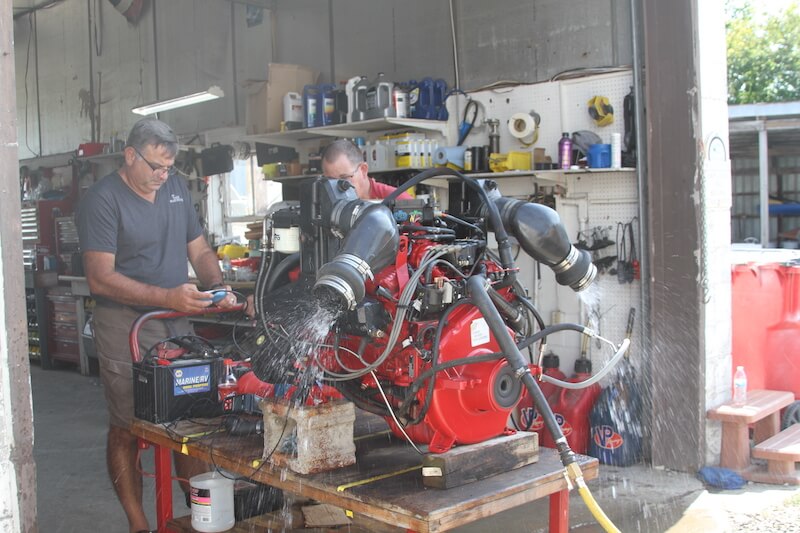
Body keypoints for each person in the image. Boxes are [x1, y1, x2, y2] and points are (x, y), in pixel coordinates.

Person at [77, 118, 238, 533]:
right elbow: (100, 277)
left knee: (191, 419)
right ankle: (138, 522)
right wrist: (167, 296)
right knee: (128, 425)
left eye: (170, 168)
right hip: (124, 325)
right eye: (156, 167)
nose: (163, 176)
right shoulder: (102, 200)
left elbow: (199, 248)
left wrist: (217, 285)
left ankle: (199, 512)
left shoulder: (174, 190)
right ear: (130, 156)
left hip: (174, 320)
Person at [321, 138, 413, 200]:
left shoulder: (398, 200)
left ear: (363, 170)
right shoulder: (323, 207)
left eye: (344, 179)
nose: (337, 188)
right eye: (331, 181)